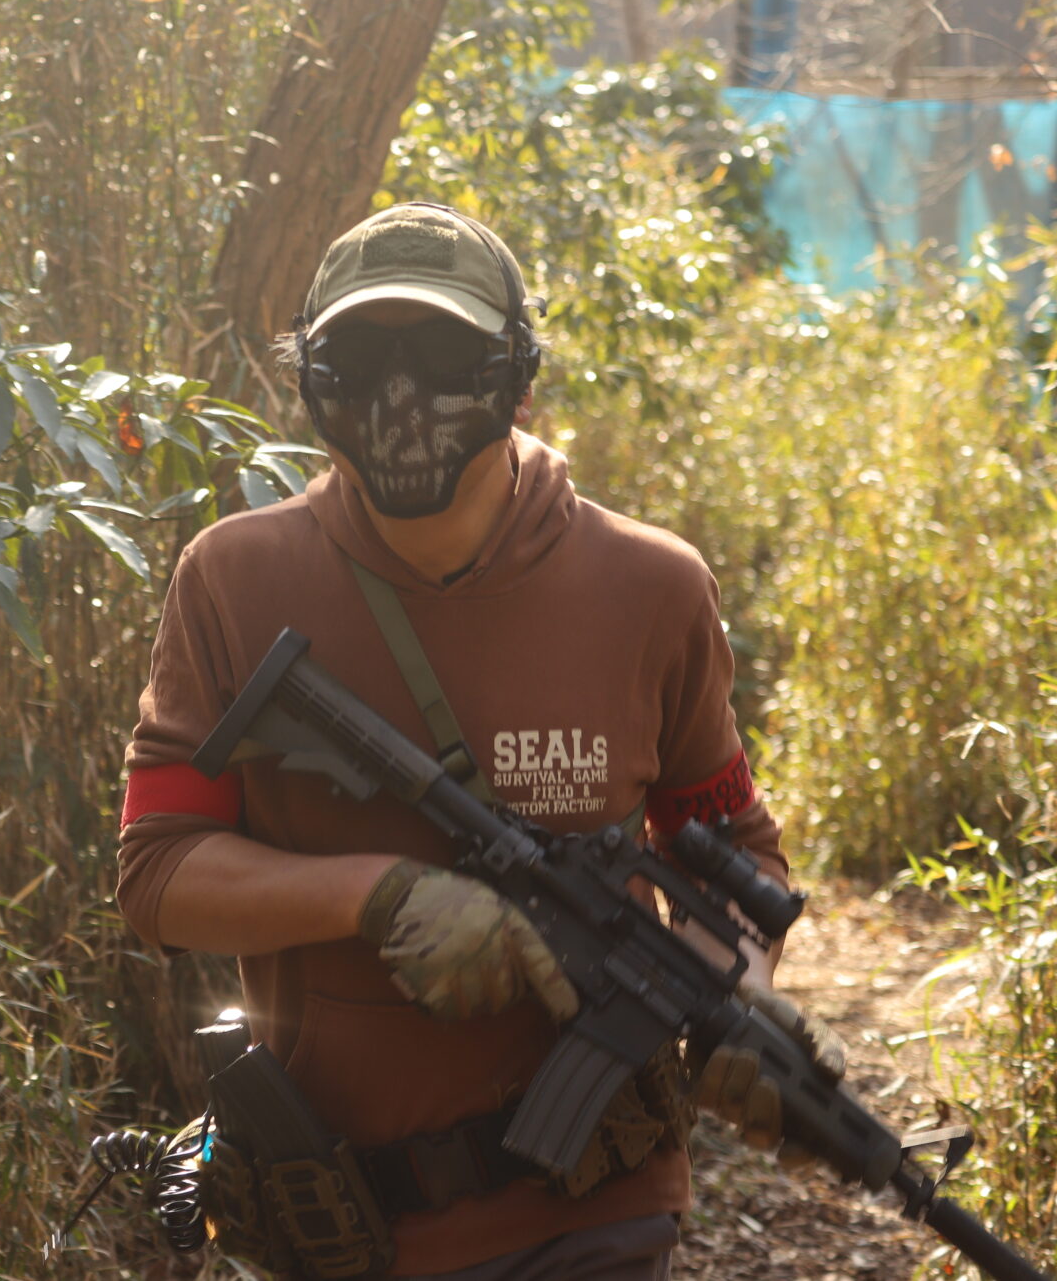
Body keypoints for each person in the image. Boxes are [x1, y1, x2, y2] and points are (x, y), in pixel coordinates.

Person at [116, 202, 843, 1280]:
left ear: (518, 379)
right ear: (311, 379)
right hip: (328, 1220)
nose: (401, 396)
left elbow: (729, 844)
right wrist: (378, 896)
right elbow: (158, 871)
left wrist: (735, 997)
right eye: (363, 358)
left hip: (596, 1208)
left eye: (446, 356)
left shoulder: (650, 586)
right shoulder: (232, 580)